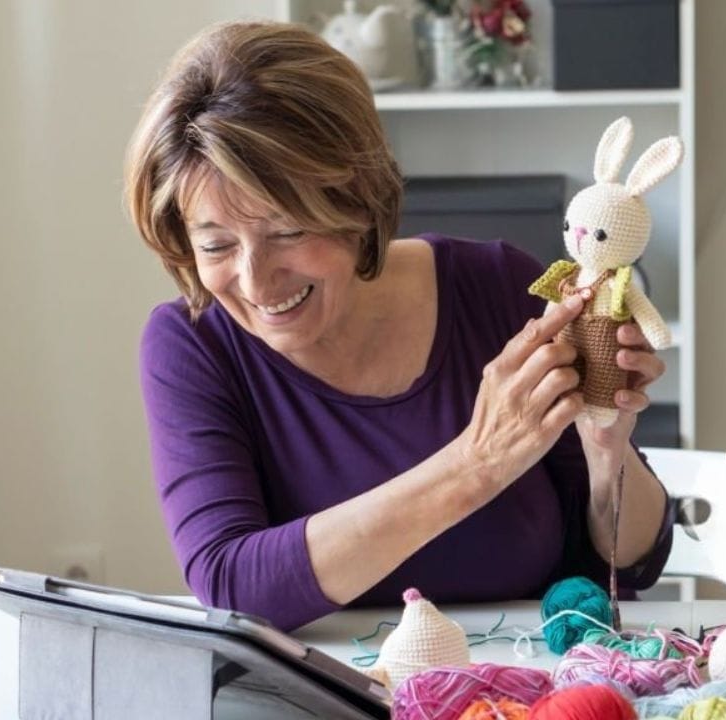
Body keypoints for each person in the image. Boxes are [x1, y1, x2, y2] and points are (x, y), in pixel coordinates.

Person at [124, 21, 672, 632]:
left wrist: (607, 454)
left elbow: (634, 561)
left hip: (521, 676)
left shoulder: (499, 286)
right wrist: (476, 463)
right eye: (216, 245)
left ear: (358, 200)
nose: (255, 283)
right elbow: (231, 582)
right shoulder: (192, 346)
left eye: (288, 231)